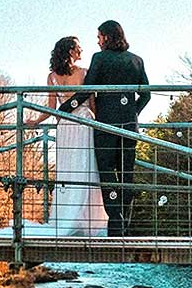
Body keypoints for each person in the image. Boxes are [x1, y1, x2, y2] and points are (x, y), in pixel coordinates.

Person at [0, 36, 107, 237]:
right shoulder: (84, 72)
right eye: (79, 48)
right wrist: (101, 124)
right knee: (86, 168)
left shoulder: (52, 76)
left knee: (67, 170)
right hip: (83, 124)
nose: (82, 51)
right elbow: (92, 103)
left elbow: (51, 109)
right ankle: (87, 220)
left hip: (65, 125)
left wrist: (36, 122)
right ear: (71, 51)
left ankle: (66, 216)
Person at [57, 20, 150, 236]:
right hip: (129, 125)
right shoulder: (137, 60)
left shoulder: (100, 59)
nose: (97, 42)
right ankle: (124, 224)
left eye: (99, 37)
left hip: (106, 124)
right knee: (127, 172)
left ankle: (114, 221)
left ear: (106, 37)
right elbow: (146, 94)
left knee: (107, 173)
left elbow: (85, 92)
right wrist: (132, 112)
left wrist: (64, 109)